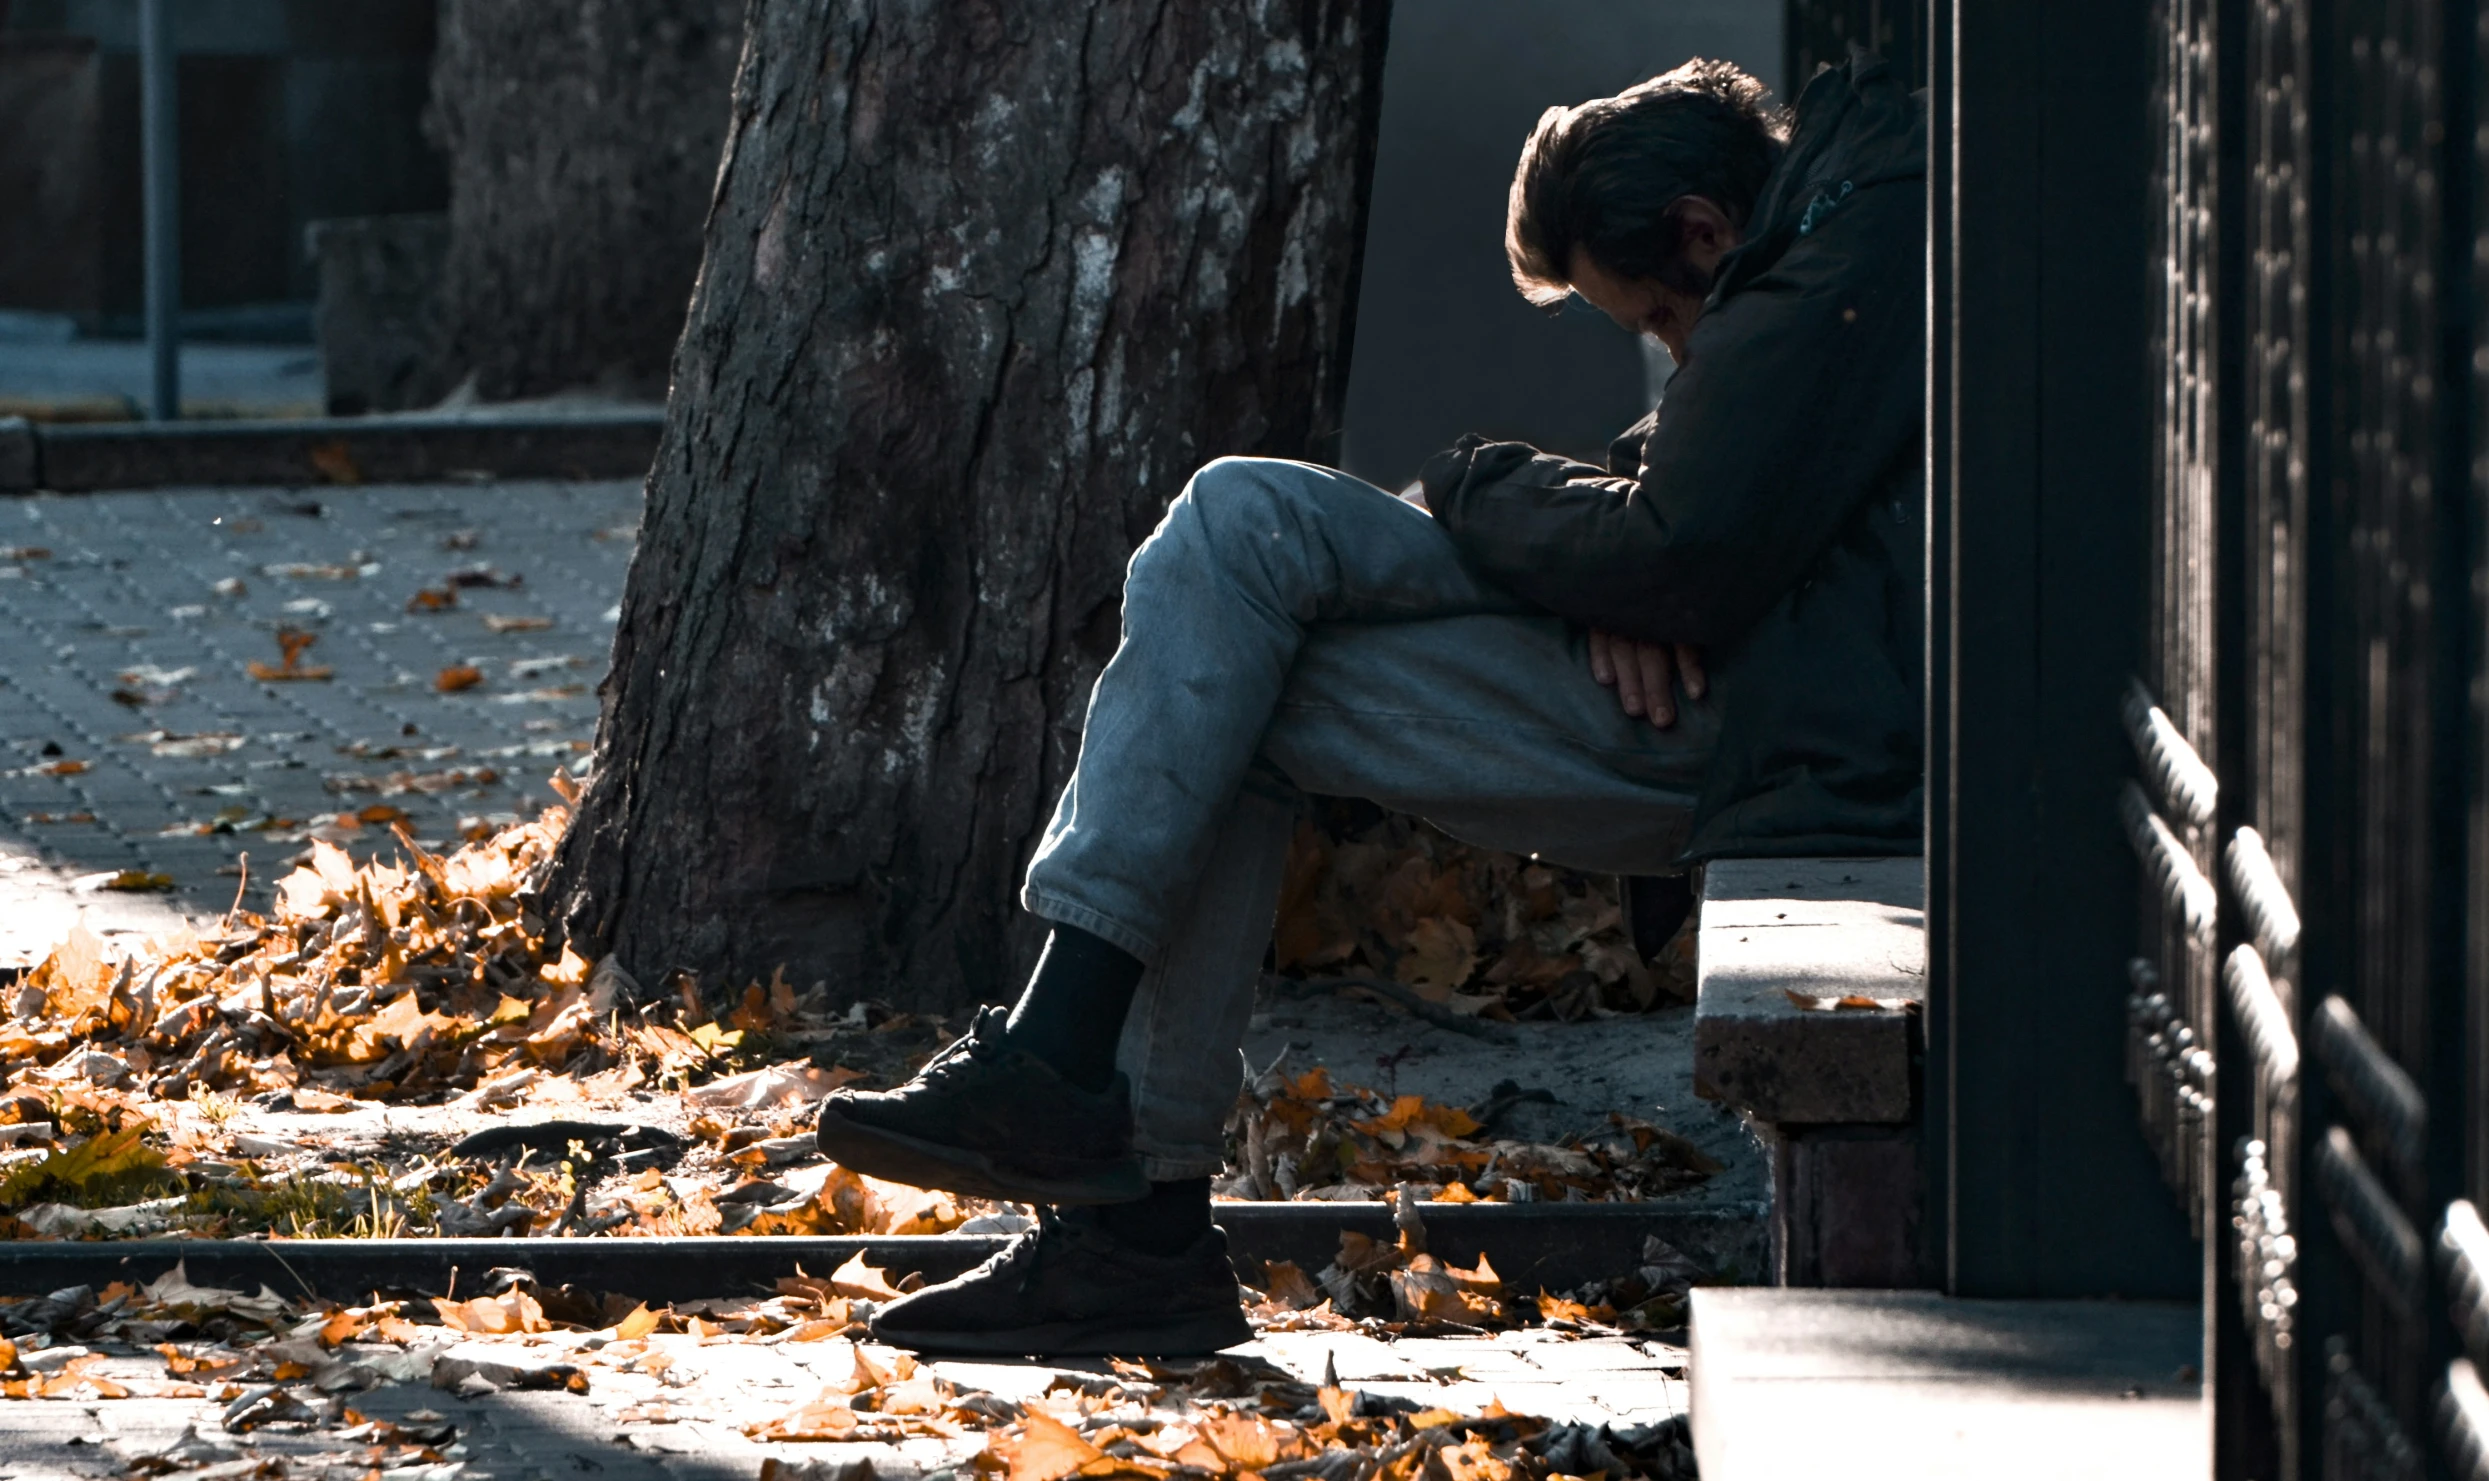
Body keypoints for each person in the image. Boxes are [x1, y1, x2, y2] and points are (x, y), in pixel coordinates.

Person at [813, 50, 1926, 1355]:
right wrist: (1636, 546)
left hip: (1789, 731)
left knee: (1240, 607)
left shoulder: (1846, 249)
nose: (1671, 352)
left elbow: (1677, 544)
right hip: (1765, 674)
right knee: (1237, 560)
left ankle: (1112, 1181)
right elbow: (1716, 460)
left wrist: (1485, 483)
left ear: (1700, 232)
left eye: (1656, 324)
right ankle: (1099, 1165)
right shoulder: (1823, 232)